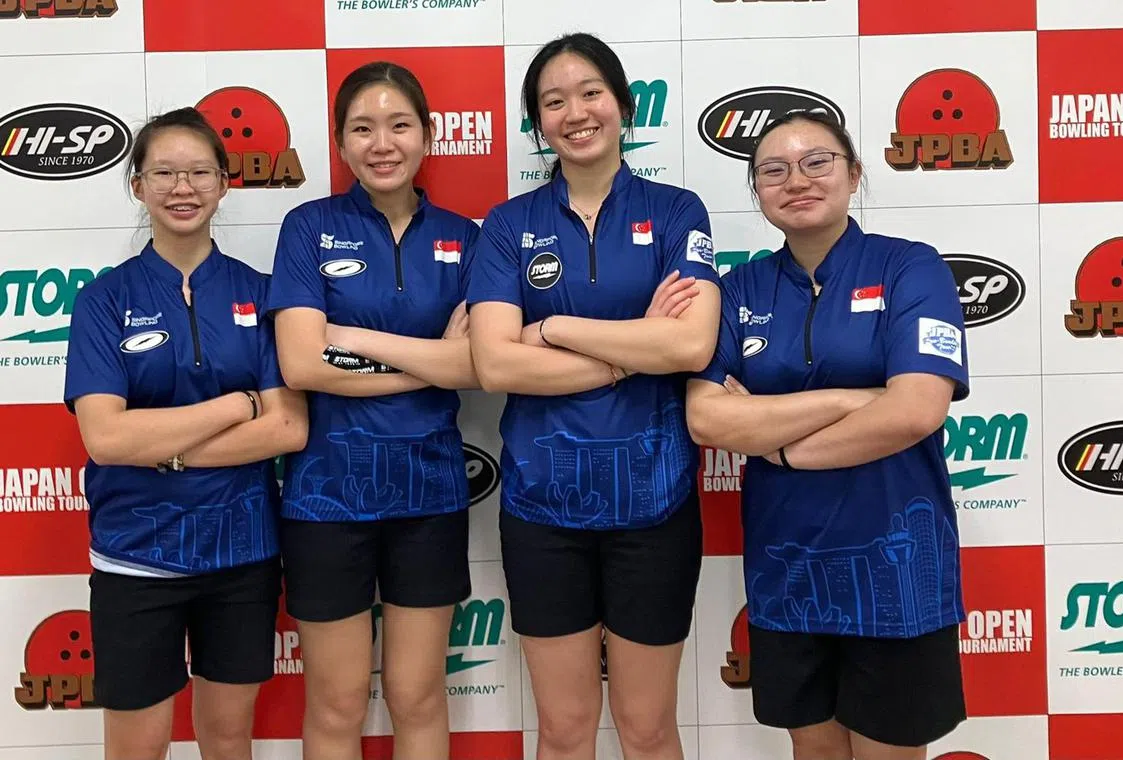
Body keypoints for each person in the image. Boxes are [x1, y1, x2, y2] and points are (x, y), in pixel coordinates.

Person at [466, 32, 721, 760]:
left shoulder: (677, 211)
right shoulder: (510, 226)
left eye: (590, 94)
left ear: (623, 105)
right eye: (553, 101)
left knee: (646, 730)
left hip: (655, 507)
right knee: (565, 731)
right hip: (542, 514)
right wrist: (629, 346)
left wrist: (557, 329)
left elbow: (689, 346)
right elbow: (493, 363)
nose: (575, 112)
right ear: (537, 122)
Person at [686, 110, 970, 760]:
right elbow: (706, 417)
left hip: (897, 569)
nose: (797, 180)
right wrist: (853, 397)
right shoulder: (738, 290)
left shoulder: (911, 269)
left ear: (853, 174)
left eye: (818, 161)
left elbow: (917, 410)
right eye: (774, 170)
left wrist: (774, 439)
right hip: (789, 569)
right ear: (757, 189)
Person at [63, 107, 309, 760]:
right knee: (137, 746)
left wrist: (163, 448)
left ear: (225, 184)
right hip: (134, 555)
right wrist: (234, 407)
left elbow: (286, 425)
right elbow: (107, 439)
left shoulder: (261, 295)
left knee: (228, 739)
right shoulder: (103, 301)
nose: (183, 187)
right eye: (164, 172)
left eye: (200, 171)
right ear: (137, 184)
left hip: (242, 553)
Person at [266, 61, 481, 760]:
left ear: (427, 137)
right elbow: (301, 364)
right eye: (362, 128)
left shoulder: (467, 237)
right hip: (326, 497)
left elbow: (477, 365)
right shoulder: (307, 226)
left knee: (418, 695)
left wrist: (350, 340)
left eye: (398, 125)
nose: (381, 143)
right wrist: (428, 362)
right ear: (340, 142)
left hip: (429, 491)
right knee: (336, 701)